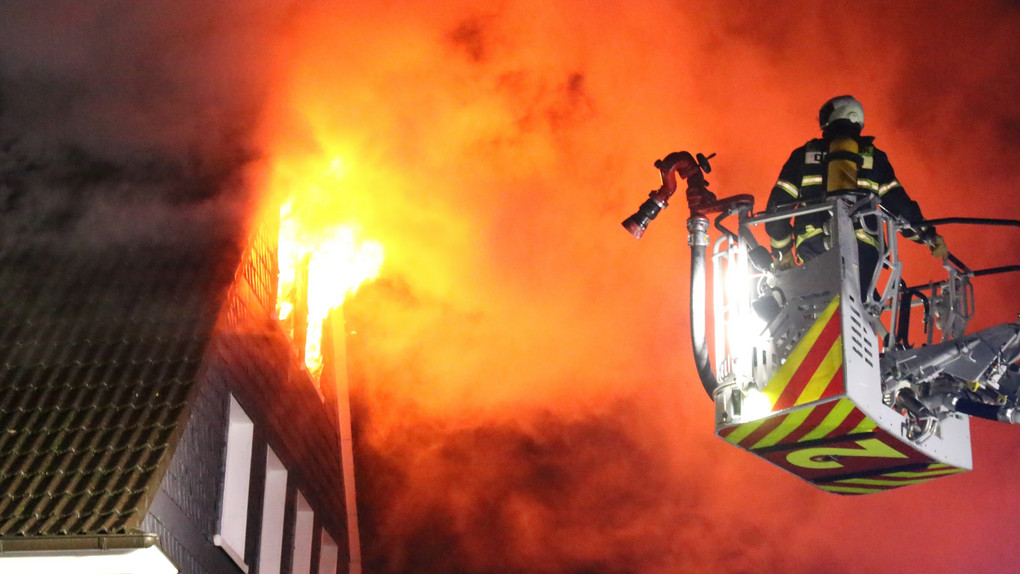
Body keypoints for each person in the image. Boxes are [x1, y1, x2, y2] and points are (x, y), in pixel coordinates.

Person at [764, 95, 948, 297]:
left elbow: (778, 207)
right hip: (863, 247)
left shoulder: (803, 155)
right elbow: (900, 206)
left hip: (813, 244)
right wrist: (928, 236)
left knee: (818, 301)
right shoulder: (874, 158)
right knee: (862, 301)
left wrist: (782, 252)